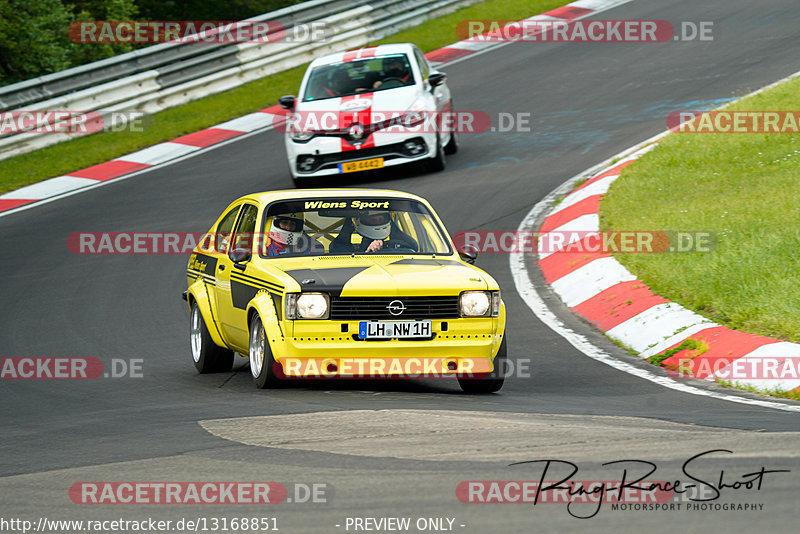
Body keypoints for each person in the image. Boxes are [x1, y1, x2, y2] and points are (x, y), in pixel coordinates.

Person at [330, 210, 417, 253]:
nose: (378, 223)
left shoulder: (403, 244)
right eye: (373, 220)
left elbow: (414, 247)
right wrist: (368, 253)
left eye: (381, 219)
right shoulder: (341, 248)